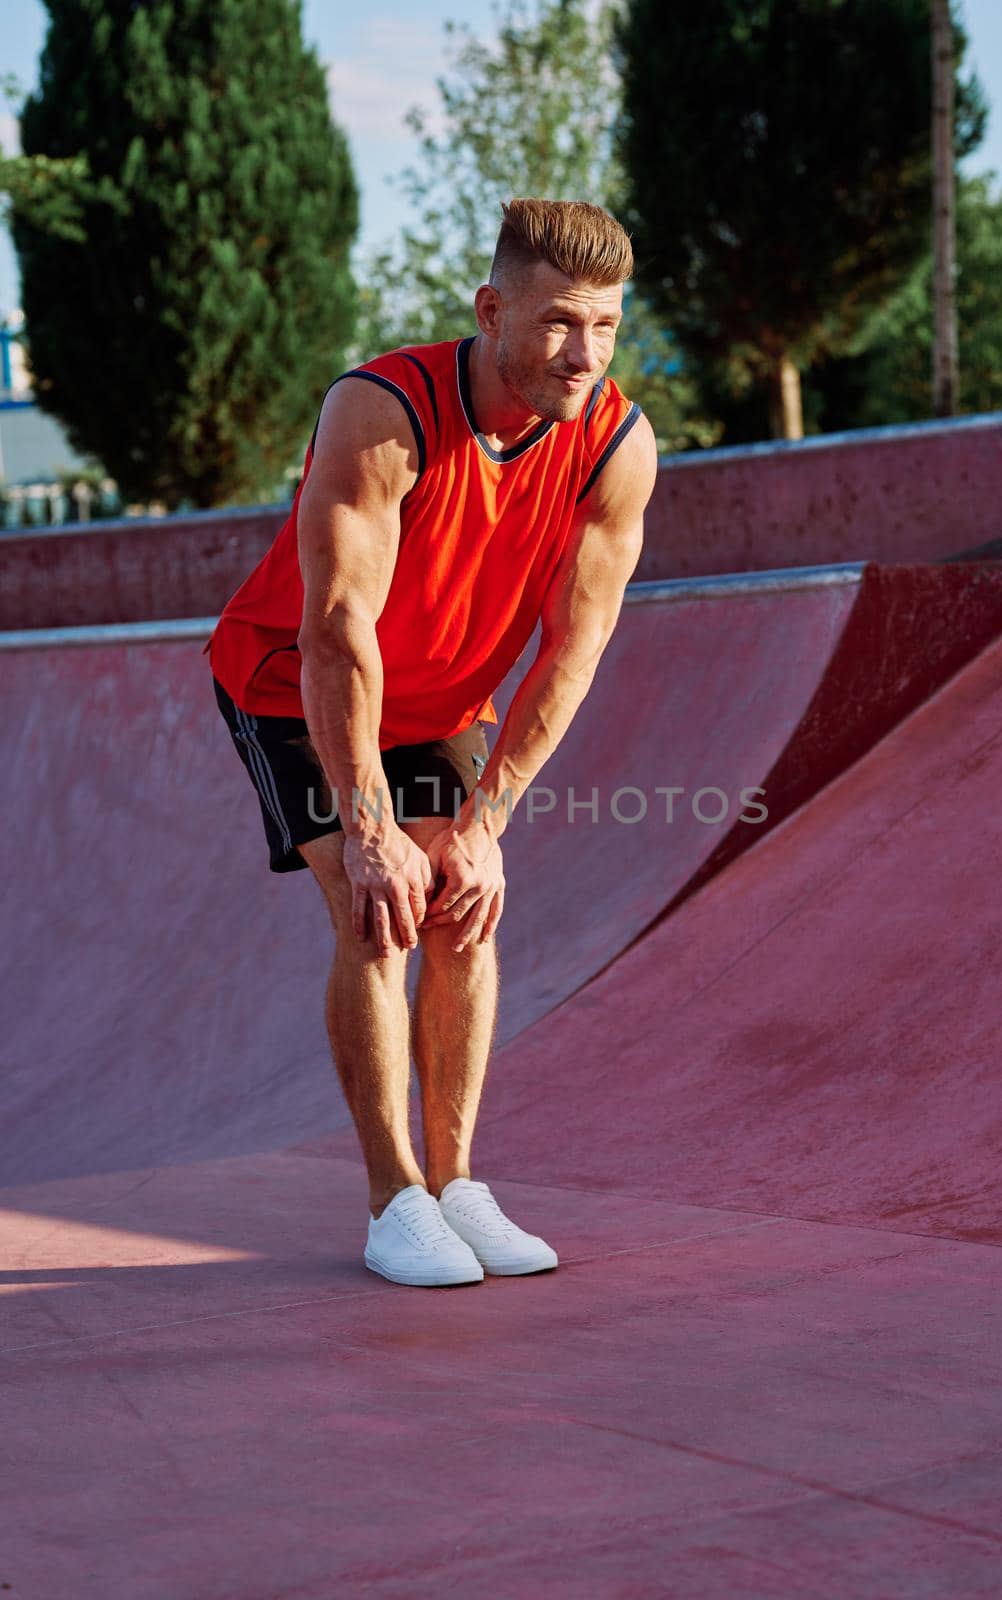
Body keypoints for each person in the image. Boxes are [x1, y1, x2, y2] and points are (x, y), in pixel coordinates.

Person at [207, 197, 658, 1287]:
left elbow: (571, 652)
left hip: (448, 698)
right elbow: (336, 633)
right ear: (491, 308)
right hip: (289, 679)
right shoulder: (380, 409)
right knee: (381, 911)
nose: (581, 351)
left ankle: (459, 1185)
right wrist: (367, 823)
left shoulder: (616, 445)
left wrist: (485, 824)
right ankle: (392, 1199)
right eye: (555, 322)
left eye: (602, 325)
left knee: (461, 899)